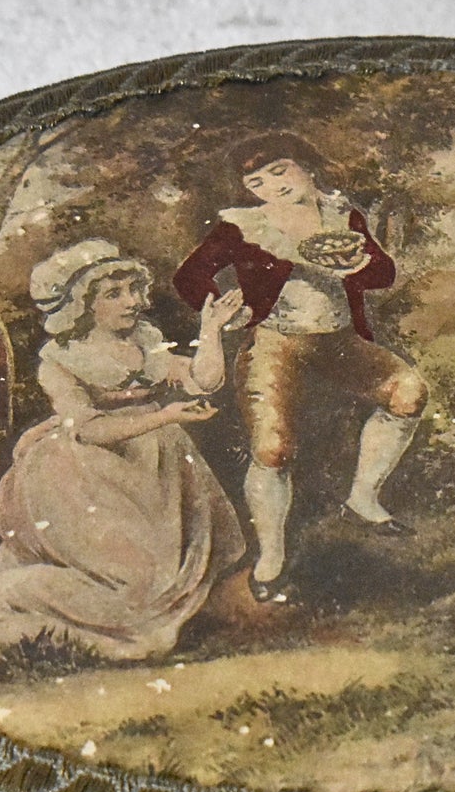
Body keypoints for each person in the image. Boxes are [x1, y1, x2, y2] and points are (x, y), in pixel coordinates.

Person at [0, 240, 251, 661]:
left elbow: (204, 380)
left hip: (154, 467)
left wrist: (211, 330)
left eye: (133, 289)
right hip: (84, 473)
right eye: (114, 294)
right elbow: (90, 431)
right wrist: (164, 417)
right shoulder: (61, 360)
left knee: (159, 573)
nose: (132, 301)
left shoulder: (144, 341)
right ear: (82, 305)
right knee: (132, 579)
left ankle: (160, 619)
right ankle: (3, 606)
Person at [172, 134, 428, 602]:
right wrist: (231, 312)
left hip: (338, 340)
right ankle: (270, 555)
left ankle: (363, 497)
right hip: (275, 342)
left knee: (409, 391)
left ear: (307, 167)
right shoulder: (244, 226)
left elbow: (384, 275)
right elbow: (189, 276)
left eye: (280, 171)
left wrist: (355, 267)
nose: (273, 186)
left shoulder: (341, 216)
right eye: (257, 182)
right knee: (272, 450)